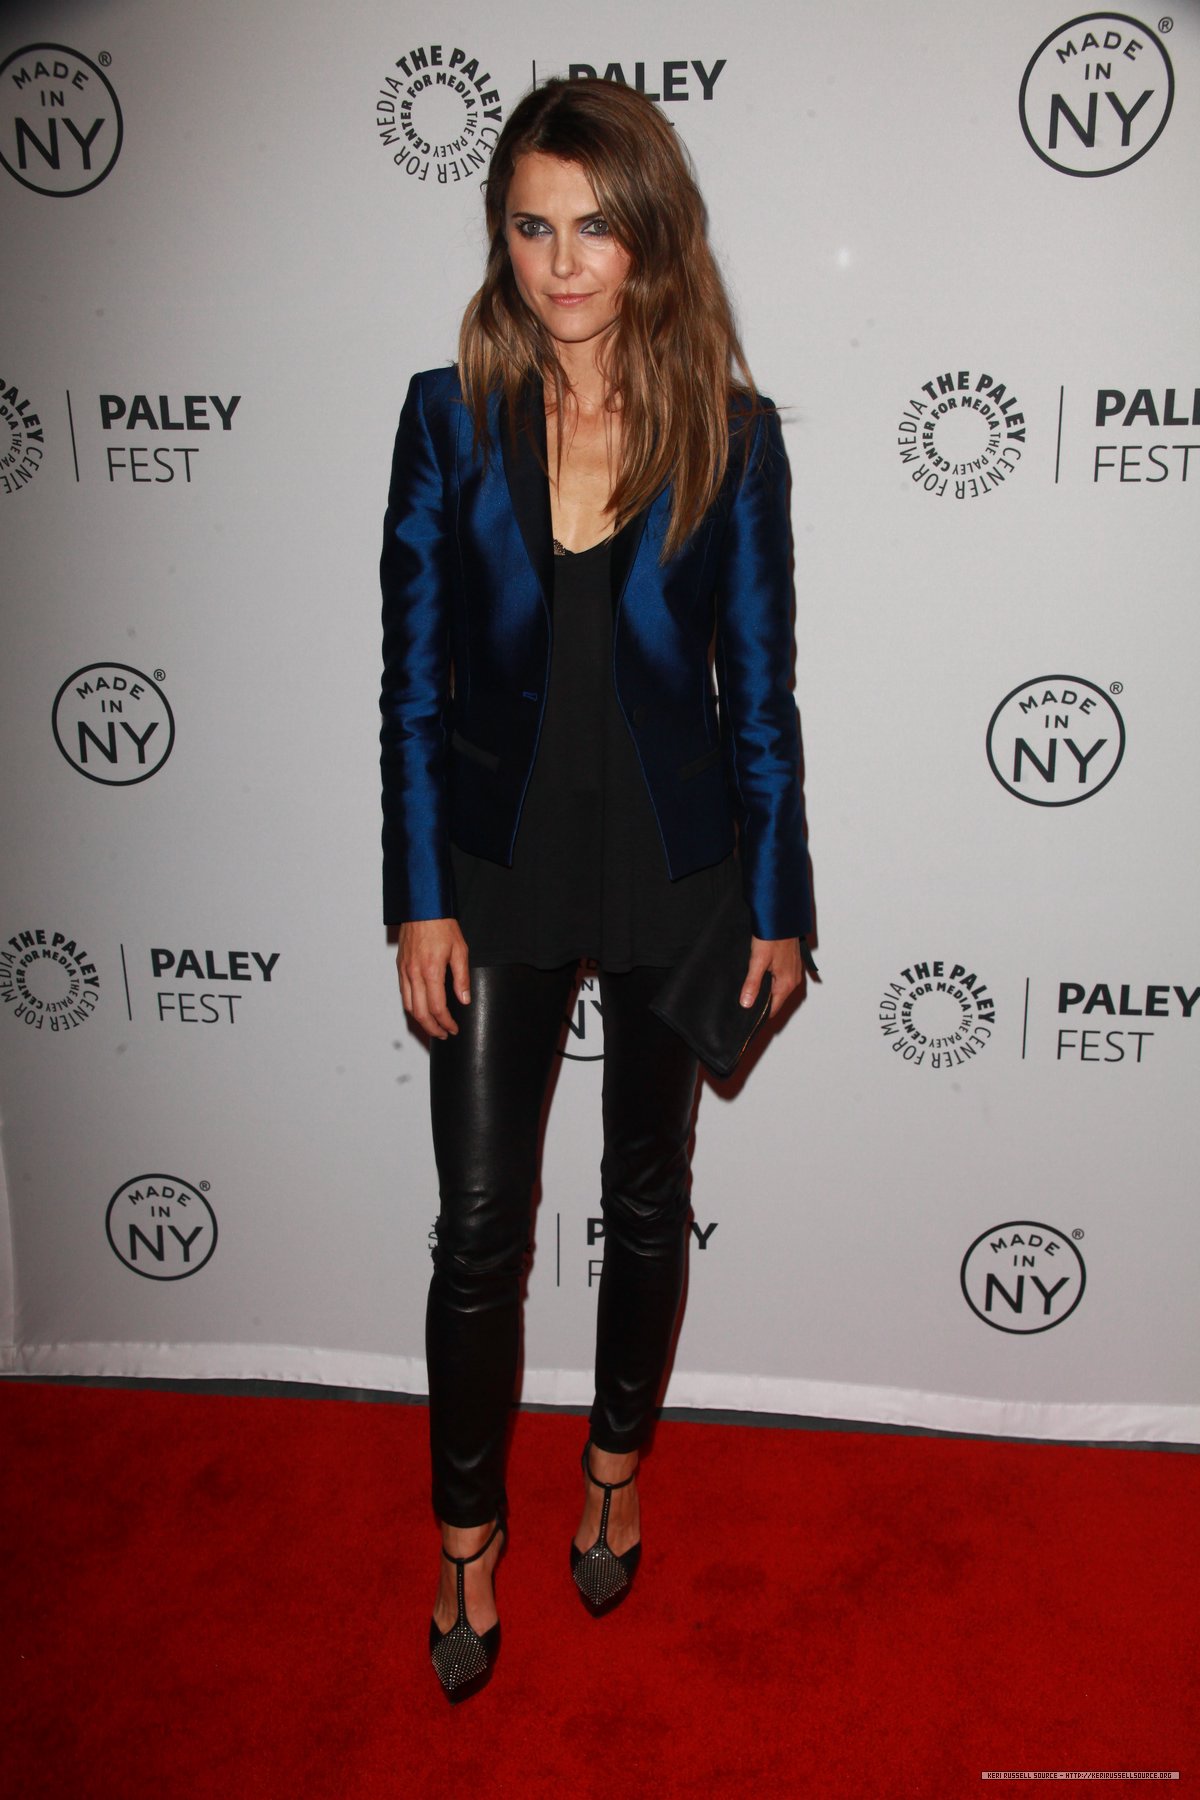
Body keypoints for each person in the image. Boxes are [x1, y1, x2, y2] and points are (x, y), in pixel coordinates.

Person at [380, 76, 812, 1703]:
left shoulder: (733, 433)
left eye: (595, 227)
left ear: (650, 236)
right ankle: (466, 1540)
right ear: (502, 235)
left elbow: (758, 694)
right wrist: (420, 892)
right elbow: (409, 685)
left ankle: (616, 1465)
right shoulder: (444, 416)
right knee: (480, 1226)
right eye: (531, 225)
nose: (563, 263)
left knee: (646, 1197)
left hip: (668, 867)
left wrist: (775, 895)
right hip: (491, 875)